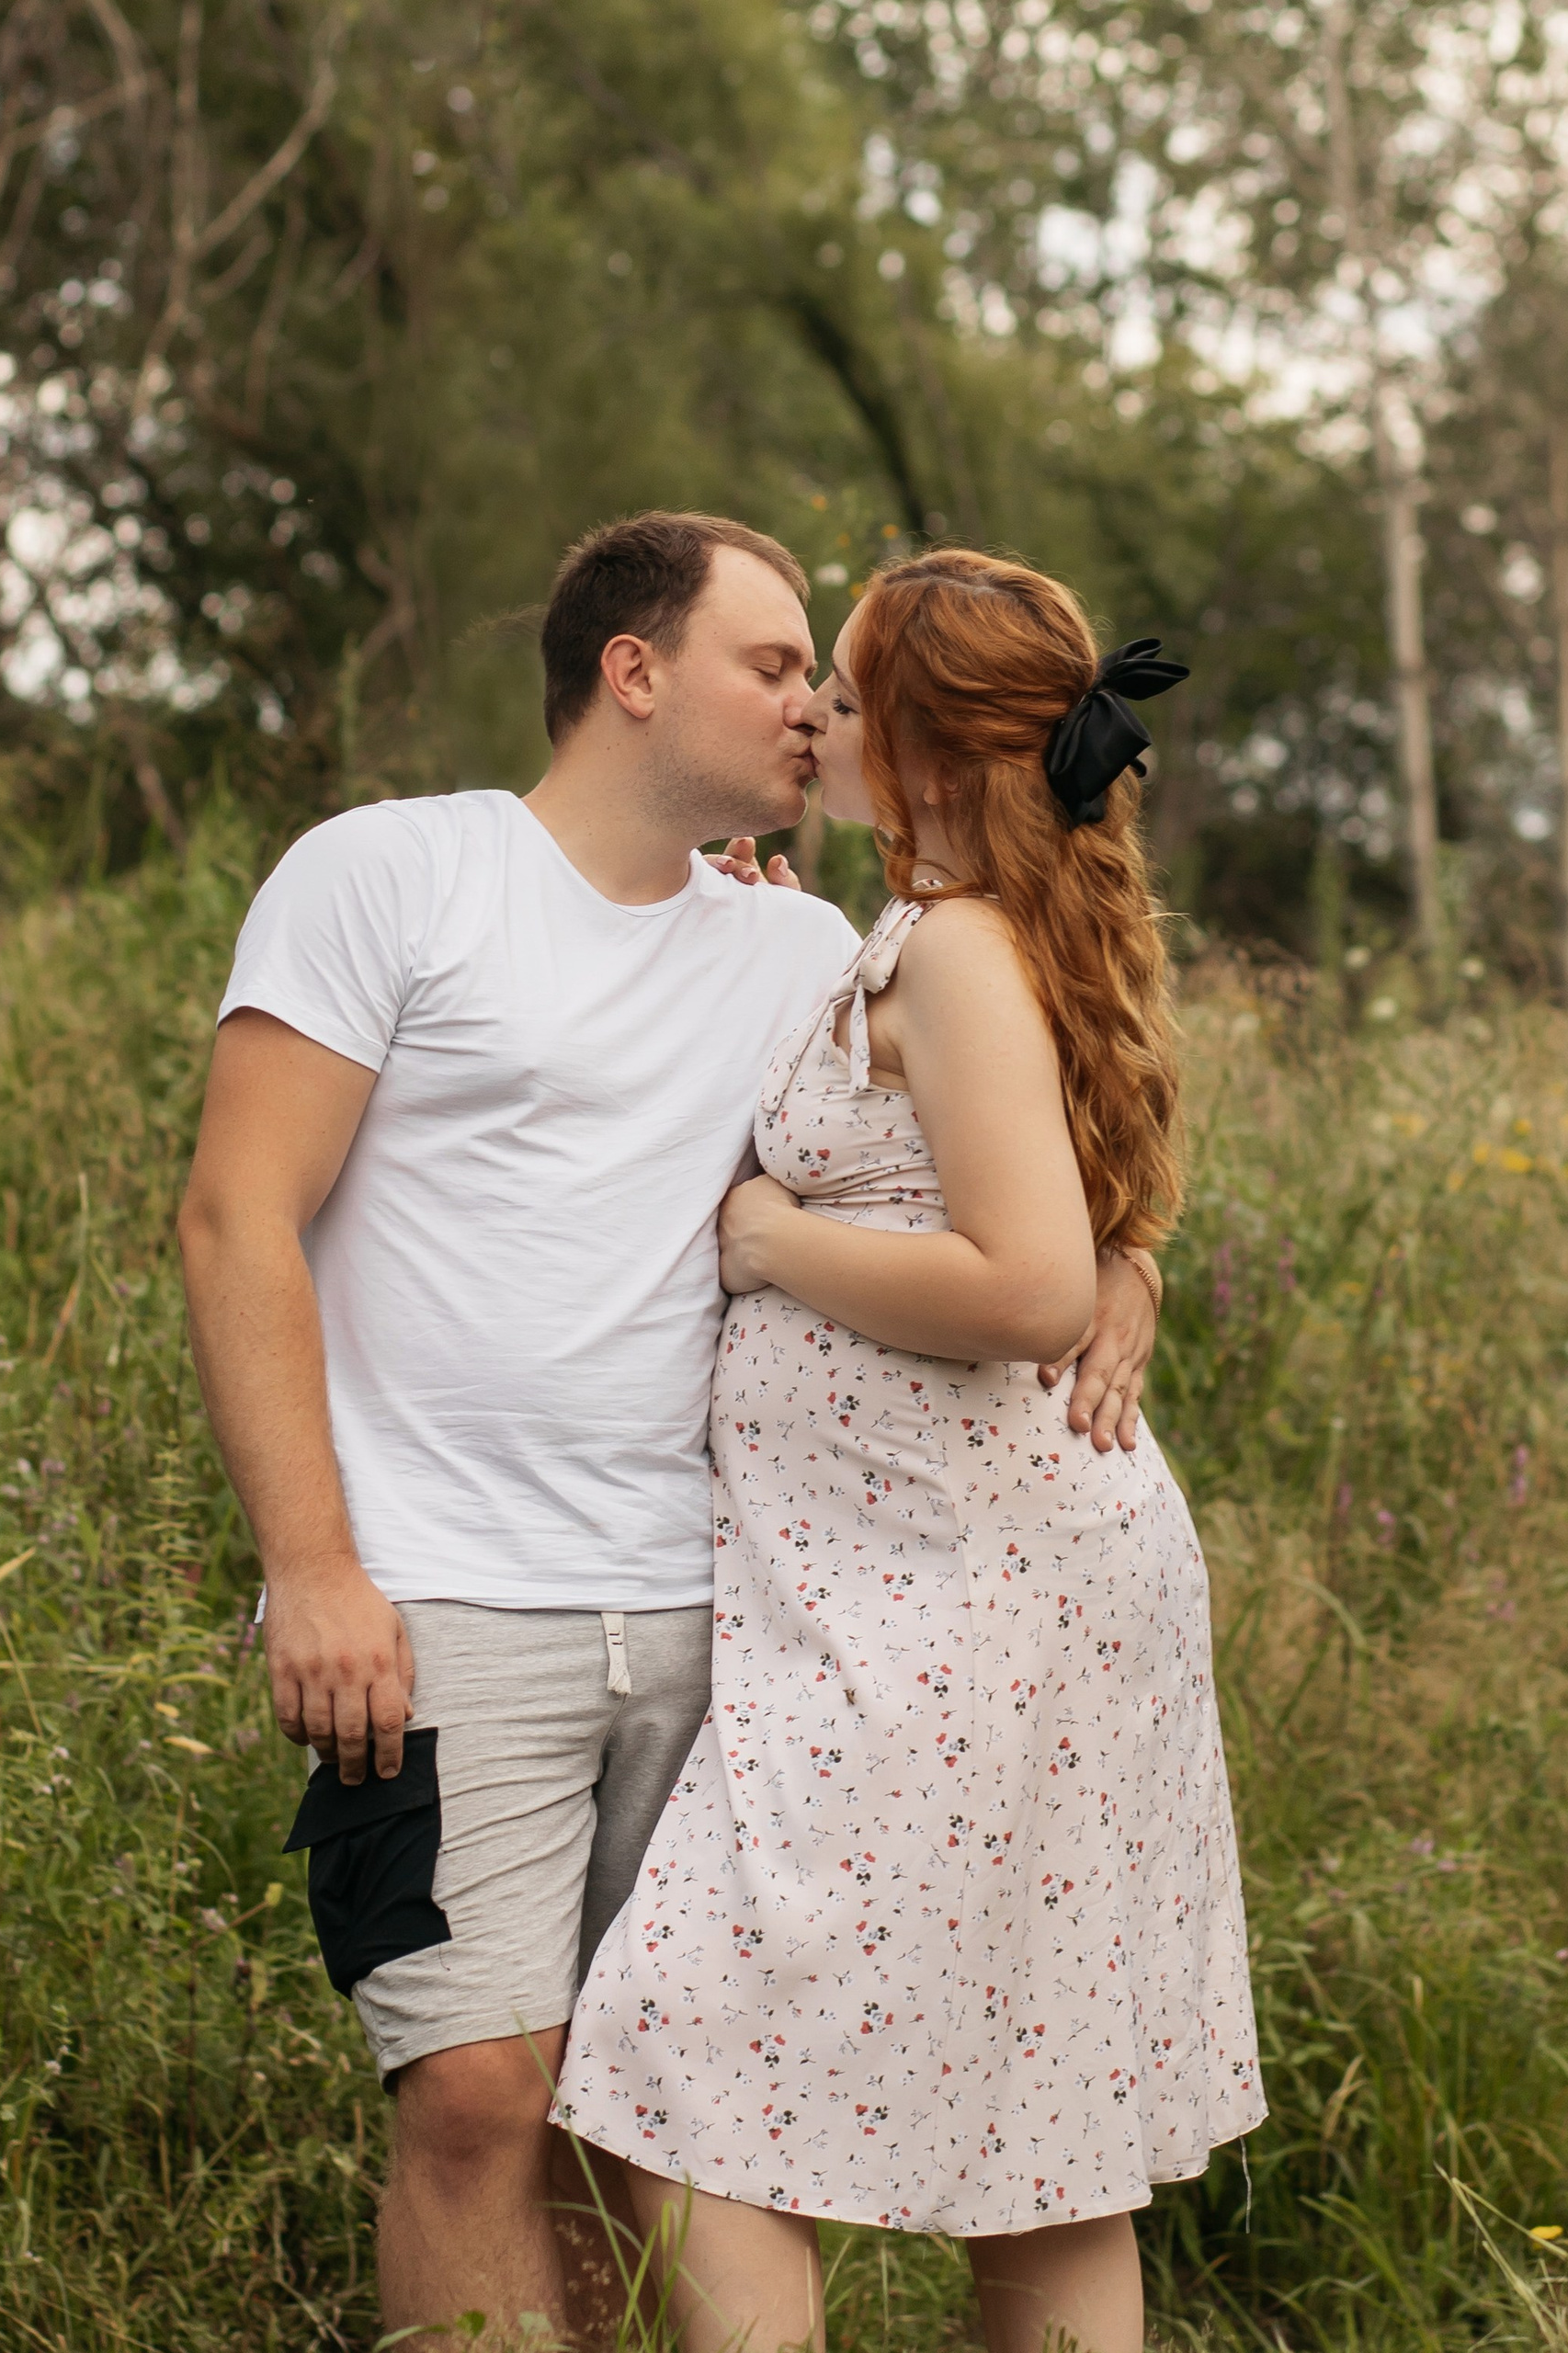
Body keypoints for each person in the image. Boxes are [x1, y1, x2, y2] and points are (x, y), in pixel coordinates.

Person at [176, 513, 1165, 2350]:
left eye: (828, 677)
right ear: (632, 670)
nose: (811, 705)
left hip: (743, 1620)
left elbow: (1000, 1113)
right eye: (776, 664)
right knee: (475, 2087)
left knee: (654, 2118)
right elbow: (236, 1215)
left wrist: (1124, 1261)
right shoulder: (389, 875)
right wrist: (310, 1565)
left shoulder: (798, 945)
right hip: (444, 1595)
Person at [556, 549, 1266, 2353]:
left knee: (680, 2037)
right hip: (952, 1585)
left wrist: (772, 1243)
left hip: (958, 1606)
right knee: (1038, 2129)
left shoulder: (952, 949)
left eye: (847, 695)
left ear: (935, 752)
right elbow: (1045, 1205)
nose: (813, 714)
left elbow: (1026, 1276)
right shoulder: (953, 928)